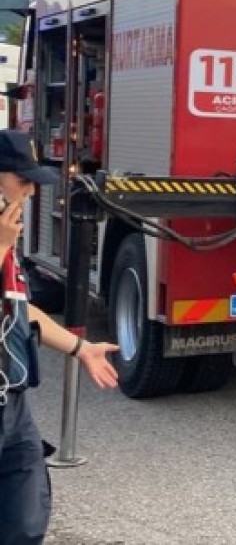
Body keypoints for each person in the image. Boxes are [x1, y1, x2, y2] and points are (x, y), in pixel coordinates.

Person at [0, 130, 118, 544]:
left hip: (13, 406)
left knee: (26, 518)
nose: (31, 192)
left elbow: (21, 310)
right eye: (23, 180)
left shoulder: (7, 240)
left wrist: (82, 348)